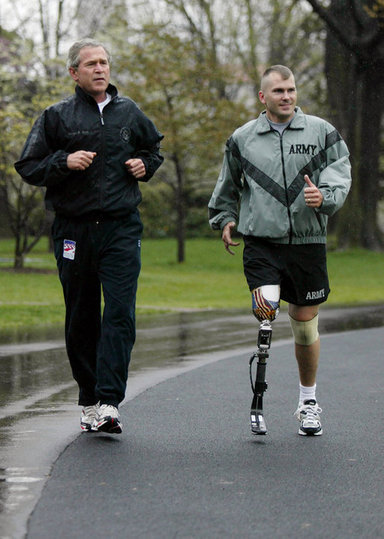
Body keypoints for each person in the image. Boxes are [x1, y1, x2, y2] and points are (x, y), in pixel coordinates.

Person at [15, 38, 163, 434]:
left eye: (104, 62)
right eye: (91, 64)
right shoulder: (57, 116)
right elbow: (28, 166)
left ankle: (110, 402)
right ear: (74, 72)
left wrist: (144, 166)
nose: (100, 69)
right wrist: (64, 160)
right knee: (81, 315)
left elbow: (155, 150)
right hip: (74, 231)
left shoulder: (129, 112)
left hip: (120, 228)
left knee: (119, 313)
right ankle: (89, 399)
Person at [208, 65, 351, 436]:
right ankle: (258, 395)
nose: (286, 96)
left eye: (290, 90)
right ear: (262, 97)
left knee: (304, 328)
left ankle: (308, 402)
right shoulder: (242, 139)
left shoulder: (322, 132)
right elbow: (228, 186)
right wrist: (224, 218)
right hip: (262, 243)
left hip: (307, 243)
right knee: (267, 305)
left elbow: (339, 170)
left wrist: (325, 196)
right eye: (278, 91)